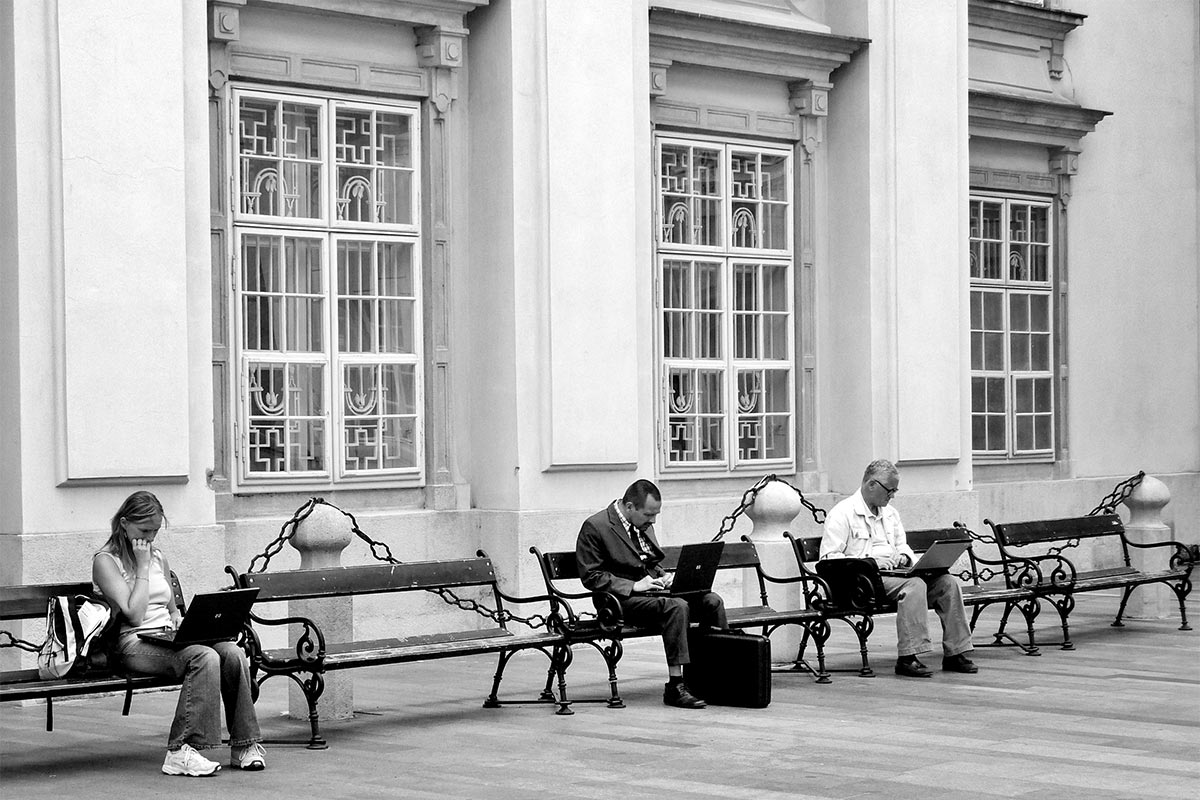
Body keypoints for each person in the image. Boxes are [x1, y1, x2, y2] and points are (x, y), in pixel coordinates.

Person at [92, 491, 266, 777]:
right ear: (124, 523)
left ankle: (244, 745)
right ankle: (181, 750)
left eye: (155, 531)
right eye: (144, 530)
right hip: (132, 642)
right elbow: (133, 614)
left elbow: (172, 608)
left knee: (232, 653)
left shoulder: (159, 557)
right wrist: (143, 565)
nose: (150, 538)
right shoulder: (106, 562)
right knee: (204, 657)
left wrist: (179, 621)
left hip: (167, 638)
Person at [575, 479, 727, 708]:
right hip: (619, 603)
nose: (653, 520)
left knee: (711, 601)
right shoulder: (596, 526)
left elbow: (649, 562)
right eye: (648, 514)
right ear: (629, 507)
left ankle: (719, 677)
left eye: (655, 514)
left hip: (653, 595)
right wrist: (633, 586)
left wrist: (663, 576)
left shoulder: (642, 524)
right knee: (677, 607)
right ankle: (675, 686)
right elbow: (591, 576)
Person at [819, 460, 978, 678]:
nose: (892, 495)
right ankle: (908, 657)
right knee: (915, 585)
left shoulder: (890, 514)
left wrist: (903, 557)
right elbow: (829, 560)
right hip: (862, 583)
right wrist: (870, 562)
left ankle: (955, 652)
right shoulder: (842, 513)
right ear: (871, 485)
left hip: (896, 576)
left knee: (947, 583)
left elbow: (903, 545)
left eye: (895, 490)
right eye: (890, 490)